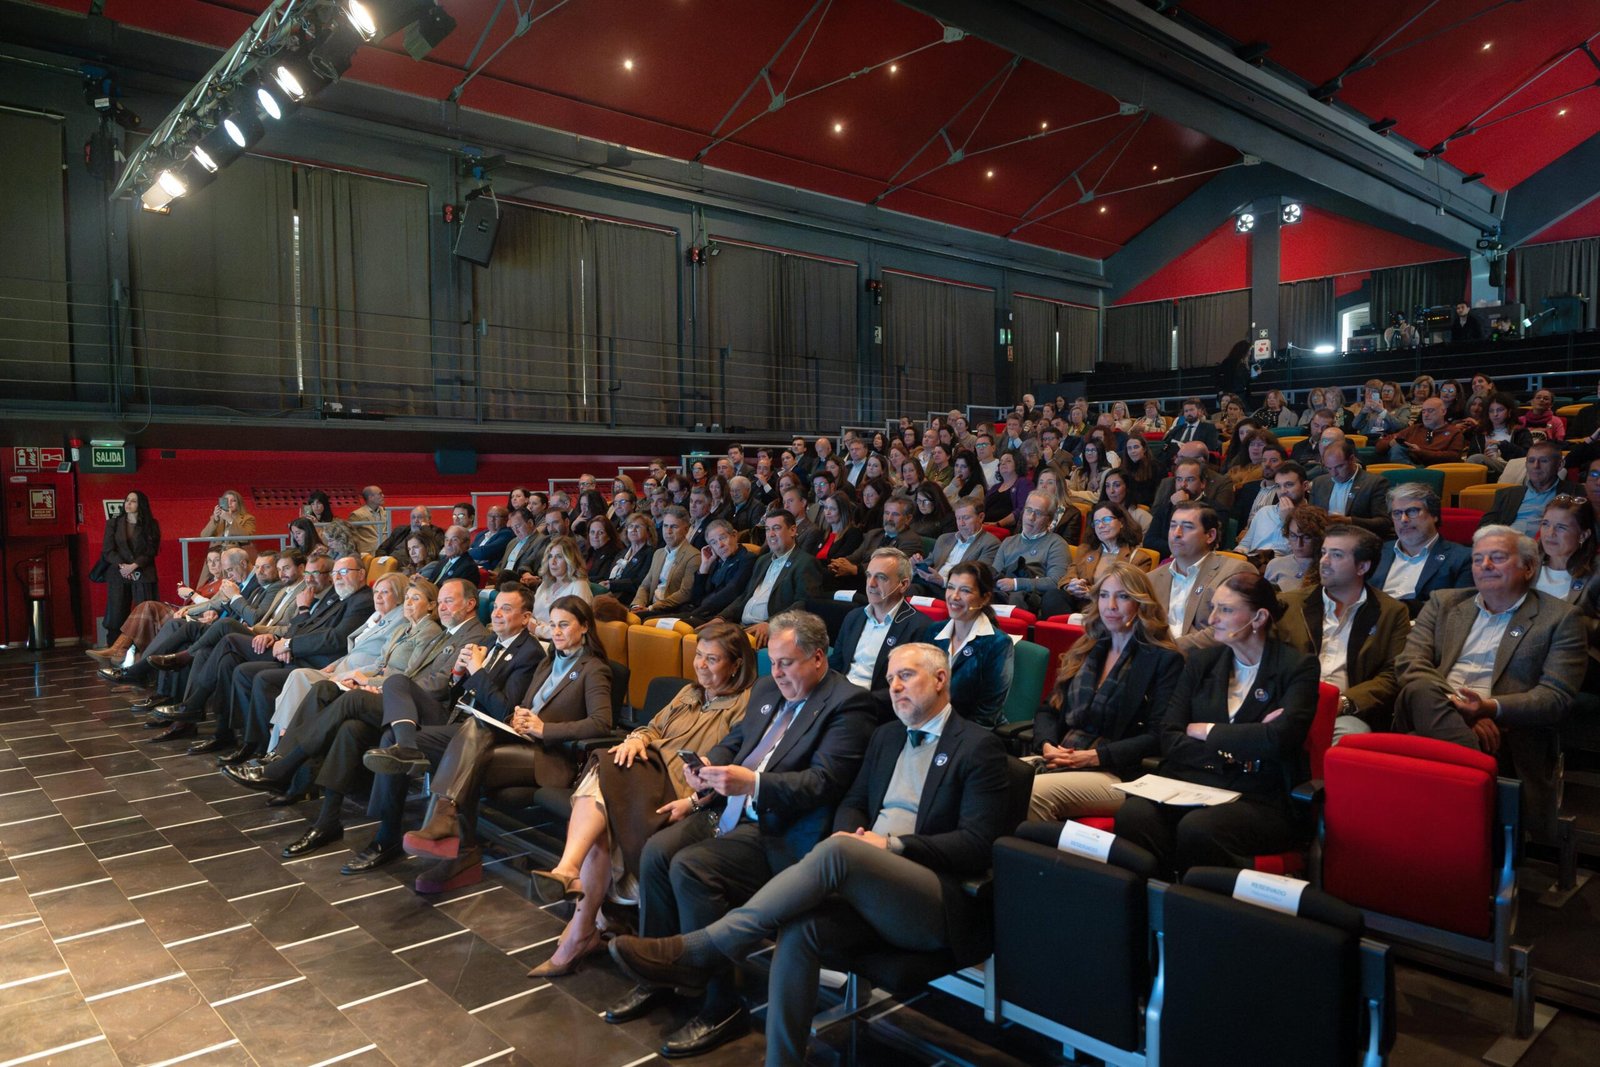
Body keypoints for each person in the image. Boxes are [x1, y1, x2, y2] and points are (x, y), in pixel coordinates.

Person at [608, 642, 1011, 1067]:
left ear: (940, 679)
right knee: (800, 930)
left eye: (906, 676)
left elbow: (976, 846)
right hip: (864, 883)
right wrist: (852, 837)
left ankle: (708, 948)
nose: (894, 687)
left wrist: (890, 846)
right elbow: (853, 802)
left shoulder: (977, 746)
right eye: (890, 678)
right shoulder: (887, 735)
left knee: (837, 850)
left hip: (929, 900)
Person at [602, 610, 875, 1057]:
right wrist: (707, 765)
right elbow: (738, 741)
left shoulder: (849, 705)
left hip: (779, 829)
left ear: (819, 658)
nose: (778, 672)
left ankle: (720, 1003)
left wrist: (753, 784)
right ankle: (659, 977)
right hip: (728, 809)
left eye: (787, 662)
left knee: (692, 867)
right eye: (774, 661)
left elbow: (824, 784)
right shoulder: (768, 688)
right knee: (655, 852)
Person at [1114, 571, 1321, 877]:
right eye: (1212, 608)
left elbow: (1278, 740)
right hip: (1193, 783)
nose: (1212, 619)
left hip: (1259, 798)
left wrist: (1205, 730)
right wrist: (1241, 749)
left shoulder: (1296, 668)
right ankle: (1157, 905)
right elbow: (1170, 736)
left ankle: (1204, 906)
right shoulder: (1201, 662)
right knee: (1135, 814)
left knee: (1199, 829)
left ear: (1259, 617)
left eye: (1225, 610)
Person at [400, 596, 612, 892]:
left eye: (564, 625)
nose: (557, 632)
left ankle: (453, 838)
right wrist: (520, 717)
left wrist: (545, 728)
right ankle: (457, 844)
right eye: (552, 625)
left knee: (466, 756)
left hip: (552, 757)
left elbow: (601, 723)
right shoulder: (549, 661)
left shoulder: (594, 669)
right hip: (523, 742)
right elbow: (525, 705)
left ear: (585, 627)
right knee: (473, 734)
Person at [1392, 526, 1587, 840]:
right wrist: (1463, 710)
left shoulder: (1561, 619)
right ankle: (1479, 790)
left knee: (1425, 730)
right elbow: (1409, 662)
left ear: (1528, 567)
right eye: (1478, 559)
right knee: (1420, 687)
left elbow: (1556, 697)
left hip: (1505, 735)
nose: (1484, 566)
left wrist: (1490, 708)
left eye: (1497, 557)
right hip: (1432, 708)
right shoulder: (1444, 603)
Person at [1029, 563, 1183, 821]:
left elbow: (1159, 736)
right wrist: (1046, 746)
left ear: (1141, 603)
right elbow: (1048, 709)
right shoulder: (1087, 647)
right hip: (1063, 757)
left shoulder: (1164, 660)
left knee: (1032, 793)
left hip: (1118, 773)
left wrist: (1092, 757)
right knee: (991, 776)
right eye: (1103, 595)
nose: (1110, 606)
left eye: (1122, 597)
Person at [1276, 524, 1410, 740]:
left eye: (1336, 555)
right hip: (1288, 701)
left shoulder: (1391, 612)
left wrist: (1344, 702)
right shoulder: (1290, 604)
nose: (1324, 561)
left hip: (1345, 711)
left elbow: (1392, 674)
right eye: (1323, 552)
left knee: (1353, 737)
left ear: (1362, 567)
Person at [829, 548, 934, 712]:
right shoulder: (854, 617)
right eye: (869, 575)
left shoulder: (920, 626)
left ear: (903, 584)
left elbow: (910, 687)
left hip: (874, 708)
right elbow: (837, 663)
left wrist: (857, 700)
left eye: (881, 577)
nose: (871, 584)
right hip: (838, 699)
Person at [1149, 503, 1254, 650]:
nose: (1176, 533)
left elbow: (1229, 629)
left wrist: (1168, 648)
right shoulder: (1152, 578)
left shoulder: (1235, 572)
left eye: (1187, 527)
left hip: (1203, 663)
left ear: (1210, 535)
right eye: (1173, 526)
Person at [722, 510, 825, 647]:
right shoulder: (762, 561)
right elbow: (745, 597)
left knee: (719, 648)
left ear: (793, 530)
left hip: (771, 631)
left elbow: (804, 605)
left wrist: (770, 624)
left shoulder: (805, 562)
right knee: (701, 635)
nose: (770, 534)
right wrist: (721, 617)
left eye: (776, 528)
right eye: (768, 529)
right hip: (742, 626)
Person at [930, 561, 1014, 729]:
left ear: (985, 598)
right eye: (951, 587)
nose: (954, 596)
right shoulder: (933, 632)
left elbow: (987, 715)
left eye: (965, 590)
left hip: (969, 735)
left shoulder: (998, 644)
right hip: (928, 724)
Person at [1372, 484, 1472, 617]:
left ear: (1434, 515)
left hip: (1423, 629)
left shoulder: (1462, 558)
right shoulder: (1376, 551)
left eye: (1412, 511)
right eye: (1397, 513)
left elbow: (1458, 609)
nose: (1404, 520)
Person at [1046, 502, 1151, 616]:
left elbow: (1131, 594)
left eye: (1106, 519)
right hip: (1080, 606)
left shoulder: (1138, 558)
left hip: (1111, 610)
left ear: (1121, 522)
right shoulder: (1085, 550)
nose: (1101, 525)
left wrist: (1092, 593)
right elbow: (1067, 577)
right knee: (1053, 596)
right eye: (1096, 522)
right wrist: (1071, 585)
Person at [991, 492, 1070, 612]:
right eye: (1028, 510)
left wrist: (1017, 584)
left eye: (1038, 513)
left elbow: (1055, 582)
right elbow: (994, 575)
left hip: (1031, 600)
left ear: (1049, 521)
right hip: (1000, 595)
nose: (1031, 517)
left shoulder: (1057, 544)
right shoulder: (1008, 542)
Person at [98, 491, 161, 640]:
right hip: (118, 573)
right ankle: (114, 649)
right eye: (127, 500)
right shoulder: (113, 523)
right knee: (116, 614)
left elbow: (151, 550)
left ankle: (144, 650)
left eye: (133, 501)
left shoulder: (151, 524)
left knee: (145, 615)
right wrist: (123, 566)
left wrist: (134, 565)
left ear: (141, 505)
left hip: (143, 572)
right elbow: (108, 550)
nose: (128, 503)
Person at [1480, 440, 1575, 537]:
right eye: (1531, 461)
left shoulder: (1576, 493)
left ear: (1560, 465)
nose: (1536, 466)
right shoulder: (1507, 494)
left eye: (1543, 461)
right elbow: (1484, 526)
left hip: (1546, 547)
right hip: (1505, 545)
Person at [910, 500, 1000, 595]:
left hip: (957, 591)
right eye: (958, 518)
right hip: (930, 584)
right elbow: (929, 563)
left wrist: (943, 581)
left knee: (911, 590)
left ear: (981, 517)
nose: (961, 523)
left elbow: (978, 577)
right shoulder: (944, 538)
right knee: (906, 587)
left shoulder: (990, 543)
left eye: (966, 518)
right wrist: (916, 565)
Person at [1309, 438, 1392, 538]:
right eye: (1329, 468)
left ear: (1352, 459)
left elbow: (1384, 523)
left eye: (1339, 467)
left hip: (1359, 541)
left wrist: (1349, 521)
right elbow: (1311, 517)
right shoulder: (1319, 483)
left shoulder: (1375, 483)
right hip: (1324, 540)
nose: (1334, 473)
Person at [687, 520, 756, 625]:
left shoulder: (747, 559)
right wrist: (704, 567)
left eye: (723, 538)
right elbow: (696, 599)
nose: (720, 545)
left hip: (721, 617)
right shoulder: (715, 562)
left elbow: (733, 590)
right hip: (702, 613)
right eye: (714, 542)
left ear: (734, 535)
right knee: (658, 621)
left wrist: (697, 612)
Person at [632, 506, 697, 617]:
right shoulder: (658, 553)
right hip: (648, 608)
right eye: (665, 526)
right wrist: (637, 605)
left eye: (674, 527)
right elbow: (645, 585)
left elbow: (685, 593)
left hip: (670, 612)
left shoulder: (693, 556)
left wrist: (651, 608)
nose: (668, 531)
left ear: (686, 530)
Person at [1534, 496, 1596, 602]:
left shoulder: (1596, 575)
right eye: (1545, 524)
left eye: (1561, 527)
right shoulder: (1526, 562)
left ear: (1583, 535)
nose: (1550, 534)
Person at [1376, 397, 1468, 465]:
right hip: (1411, 466)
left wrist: (1421, 452)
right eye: (1423, 411)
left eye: (1430, 411)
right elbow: (1380, 445)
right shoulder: (1415, 429)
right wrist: (1390, 444)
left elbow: (1453, 457)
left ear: (1443, 412)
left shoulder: (1454, 432)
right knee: (1396, 449)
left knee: (1397, 450)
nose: (1426, 415)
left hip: (1436, 470)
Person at [1467, 391, 1534, 477]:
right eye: (1491, 411)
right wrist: (1484, 456)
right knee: (1475, 459)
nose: (1495, 414)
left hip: (1513, 468)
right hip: (1486, 469)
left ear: (1509, 411)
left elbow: (1528, 455)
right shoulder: (1479, 433)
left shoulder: (1520, 432)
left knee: (1476, 458)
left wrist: (1502, 445)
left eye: (1500, 410)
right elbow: (1471, 457)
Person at [1264, 503, 1329, 591]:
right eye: (1293, 535)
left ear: (1319, 537)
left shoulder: (1329, 567)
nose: (1299, 543)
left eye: (1307, 537)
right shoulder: (1275, 565)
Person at [598, 512, 656, 604]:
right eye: (630, 526)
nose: (633, 529)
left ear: (648, 532)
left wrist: (612, 585)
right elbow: (609, 576)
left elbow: (641, 582)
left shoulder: (651, 553)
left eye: (638, 527)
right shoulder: (621, 553)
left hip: (630, 599)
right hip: (612, 594)